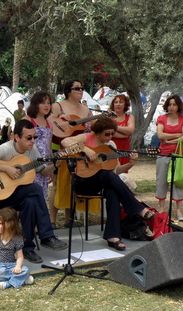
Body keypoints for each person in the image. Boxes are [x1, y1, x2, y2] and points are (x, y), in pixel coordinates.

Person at [0, 119, 67, 264]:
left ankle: (27, 248)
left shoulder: (32, 151)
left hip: (16, 195)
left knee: (30, 202)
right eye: (28, 138)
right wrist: (7, 168)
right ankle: (47, 236)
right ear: (16, 137)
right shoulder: (6, 148)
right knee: (35, 189)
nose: (32, 141)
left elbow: (43, 171)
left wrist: (56, 163)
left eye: (35, 137)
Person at [61, 117, 155, 251]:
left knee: (112, 190)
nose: (110, 137)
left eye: (112, 133)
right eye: (107, 134)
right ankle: (137, 208)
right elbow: (65, 141)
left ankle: (113, 236)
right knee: (107, 176)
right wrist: (86, 150)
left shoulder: (111, 146)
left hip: (101, 183)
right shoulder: (87, 137)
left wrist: (130, 163)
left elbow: (116, 171)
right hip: (82, 181)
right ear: (97, 132)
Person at [50, 80, 93, 228]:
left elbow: (90, 131)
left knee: (72, 183)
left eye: (82, 88)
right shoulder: (58, 106)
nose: (80, 90)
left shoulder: (86, 110)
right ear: (68, 91)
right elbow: (50, 123)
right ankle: (52, 220)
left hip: (77, 149)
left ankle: (69, 219)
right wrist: (64, 126)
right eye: (77, 88)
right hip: (59, 147)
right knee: (57, 184)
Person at [155, 94, 183, 221]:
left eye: (174, 104)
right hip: (163, 154)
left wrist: (168, 138)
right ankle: (162, 209)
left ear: (178, 106)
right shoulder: (161, 118)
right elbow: (160, 135)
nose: (171, 107)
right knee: (161, 181)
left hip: (179, 155)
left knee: (178, 182)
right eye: (169, 104)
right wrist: (177, 135)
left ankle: (179, 211)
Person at [24, 91, 54, 199]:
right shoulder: (27, 120)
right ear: (35, 104)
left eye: (49, 103)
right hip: (29, 164)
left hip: (44, 167)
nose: (47, 105)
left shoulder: (49, 124)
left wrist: (51, 168)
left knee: (41, 197)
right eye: (43, 103)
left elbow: (49, 147)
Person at [109, 94, 135, 166]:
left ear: (125, 104)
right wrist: (125, 133)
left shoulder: (130, 117)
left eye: (121, 102)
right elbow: (109, 134)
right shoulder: (109, 117)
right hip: (110, 149)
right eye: (116, 102)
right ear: (113, 104)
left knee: (122, 174)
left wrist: (114, 127)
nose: (118, 104)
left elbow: (130, 131)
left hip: (124, 149)